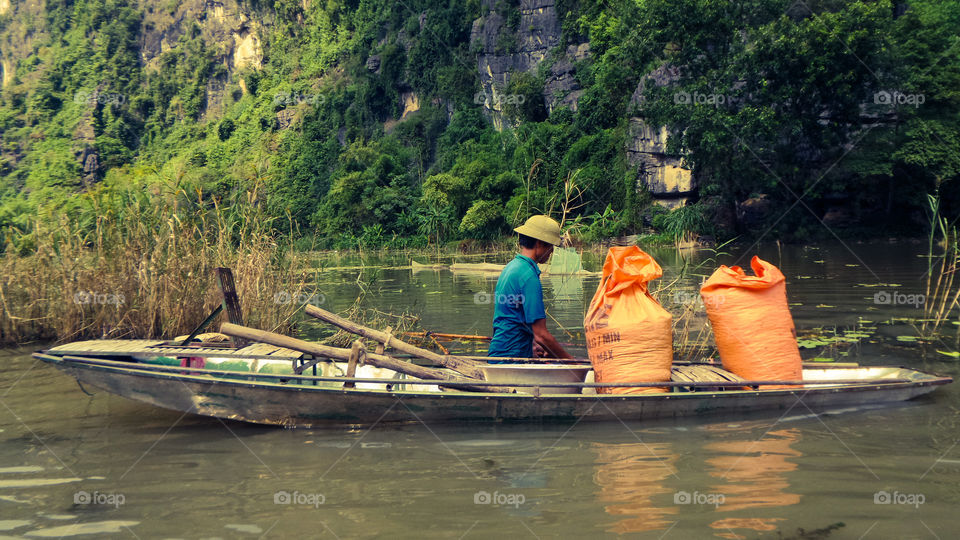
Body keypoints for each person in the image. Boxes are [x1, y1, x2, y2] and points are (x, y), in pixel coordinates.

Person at [487, 215, 574, 360]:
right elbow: (541, 335)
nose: (552, 251)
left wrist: (533, 344)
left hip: (498, 354)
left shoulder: (511, 267)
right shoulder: (528, 276)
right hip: (513, 361)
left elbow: (513, 318)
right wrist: (572, 362)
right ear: (539, 244)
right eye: (551, 246)